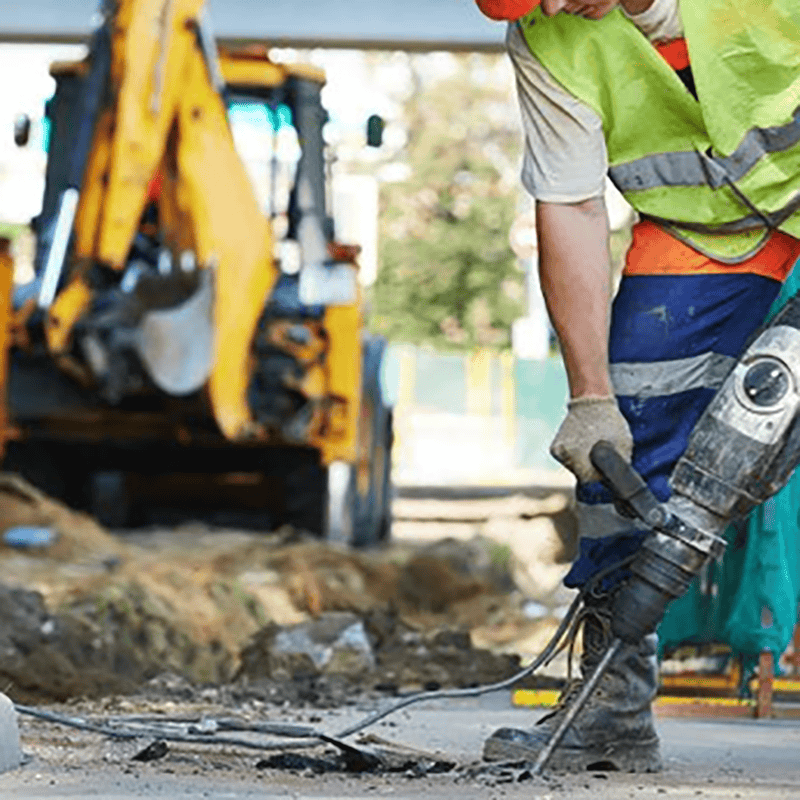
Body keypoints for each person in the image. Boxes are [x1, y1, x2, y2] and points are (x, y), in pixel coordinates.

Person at [476, 0, 800, 772]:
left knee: (774, 390)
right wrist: (591, 400)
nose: (554, 6)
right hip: (711, 230)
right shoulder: (549, 40)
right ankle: (610, 707)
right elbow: (572, 204)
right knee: (629, 425)